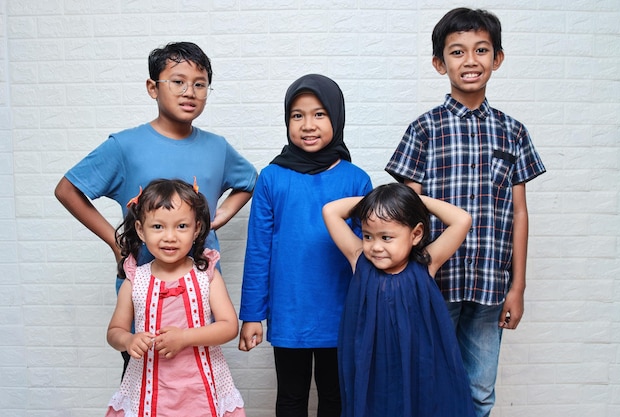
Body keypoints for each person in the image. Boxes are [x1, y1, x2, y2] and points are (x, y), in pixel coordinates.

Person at [54, 41, 257, 372]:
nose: (189, 91)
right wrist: (115, 241)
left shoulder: (217, 148)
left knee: (196, 384)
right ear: (153, 87)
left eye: (200, 84)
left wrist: (216, 220)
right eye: (177, 81)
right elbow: (68, 189)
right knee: (143, 386)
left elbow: (250, 181)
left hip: (198, 294)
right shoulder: (124, 146)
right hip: (143, 296)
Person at [385, 8, 546, 417]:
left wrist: (518, 287)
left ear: (498, 58)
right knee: (426, 385)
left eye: (481, 50)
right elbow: (405, 214)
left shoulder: (513, 132)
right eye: (457, 52)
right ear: (440, 63)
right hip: (434, 283)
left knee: (478, 392)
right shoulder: (424, 129)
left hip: (491, 285)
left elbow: (520, 213)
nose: (470, 60)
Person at [237, 74, 372, 417]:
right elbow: (259, 251)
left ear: (337, 118)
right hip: (290, 310)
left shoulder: (356, 179)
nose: (308, 125)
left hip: (342, 312)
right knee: (291, 398)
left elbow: (369, 252)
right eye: (297, 115)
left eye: (319, 114)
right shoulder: (271, 177)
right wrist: (252, 315)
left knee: (336, 398)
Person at [322, 183, 475, 417]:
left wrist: (410, 199)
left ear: (416, 234)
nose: (375, 247)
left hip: (419, 360)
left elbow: (461, 219)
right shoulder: (359, 259)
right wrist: (380, 200)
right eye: (367, 236)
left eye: (386, 237)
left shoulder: (427, 263)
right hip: (371, 362)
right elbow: (331, 211)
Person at [105, 178, 245, 417]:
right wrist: (128, 341)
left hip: (202, 385)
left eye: (181, 226)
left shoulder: (206, 274)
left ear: (197, 229)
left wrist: (185, 337)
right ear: (140, 230)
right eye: (158, 227)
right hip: (147, 388)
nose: (170, 237)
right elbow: (115, 330)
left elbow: (229, 327)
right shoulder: (134, 279)